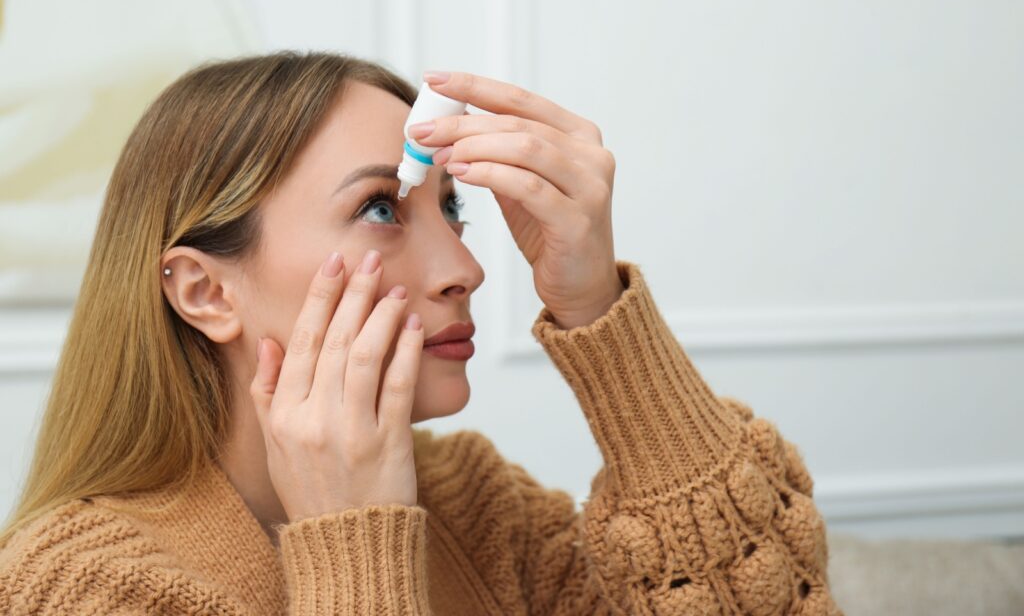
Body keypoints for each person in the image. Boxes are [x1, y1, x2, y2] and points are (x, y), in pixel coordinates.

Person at [0, 51, 842, 614]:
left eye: (453, 207)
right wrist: (355, 540)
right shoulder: (78, 585)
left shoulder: (474, 505)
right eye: (379, 209)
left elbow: (766, 598)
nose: (465, 269)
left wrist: (599, 312)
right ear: (205, 291)